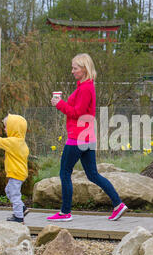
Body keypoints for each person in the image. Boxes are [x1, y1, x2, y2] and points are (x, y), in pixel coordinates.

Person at [47, 53, 127, 222]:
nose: (72, 71)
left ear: (84, 69)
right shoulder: (85, 86)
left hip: (78, 138)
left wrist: (59, 104)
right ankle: (118, 204)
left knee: (65, 173)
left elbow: (78, 113)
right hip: (87, 137)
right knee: (92, 175)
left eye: (75, 68)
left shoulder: (85, 88)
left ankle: (65, 212)